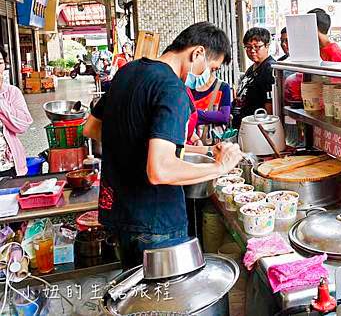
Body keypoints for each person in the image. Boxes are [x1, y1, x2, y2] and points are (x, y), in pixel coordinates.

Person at [83, 22, 242, 269]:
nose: (209, 75)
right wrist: (220, 168)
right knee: (163, 300)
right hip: (157, 222)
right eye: (211, 67)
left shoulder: (127, 72)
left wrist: (208, 151)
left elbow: (91, 127)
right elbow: (160, 170)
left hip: (120, 213)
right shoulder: (172, 89)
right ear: (197, 52)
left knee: (135, 297)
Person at [232, 27, 276, 128]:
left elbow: (269, 104)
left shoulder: (269, 69)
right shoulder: (251, 68)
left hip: (257, 128)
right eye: (248, 47)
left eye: (257, 47)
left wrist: (267, 128)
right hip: (244, 125)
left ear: (267, 46)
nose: (252, 51)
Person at [0, 48, 32, 178]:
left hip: (9, 166)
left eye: (0, 63)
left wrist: (1, 99)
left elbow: (22, 125)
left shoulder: (12, 93)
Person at [186, 69, 232, 145]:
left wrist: (194, 113)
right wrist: (211, 115)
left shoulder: (223, 87)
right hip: (192, 143)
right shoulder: (188, 89)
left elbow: (224, 117)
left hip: (216, 143)